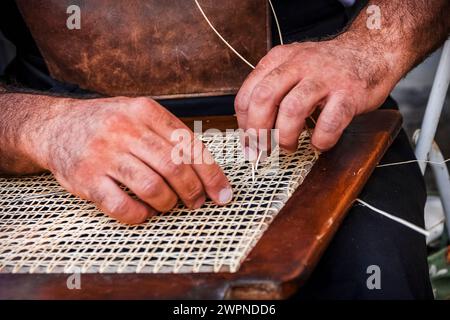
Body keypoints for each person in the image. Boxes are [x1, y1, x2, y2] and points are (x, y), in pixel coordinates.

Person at [0, 0, 448, 299]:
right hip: (58, 122)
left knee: (373, 277)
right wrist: (42, 128)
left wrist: (368, 50)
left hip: (307, 98)